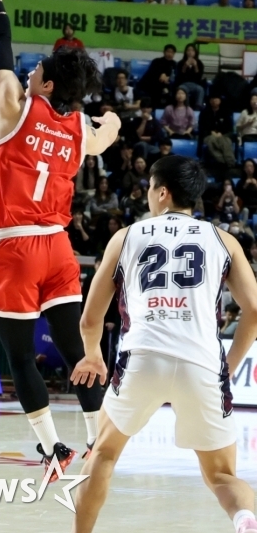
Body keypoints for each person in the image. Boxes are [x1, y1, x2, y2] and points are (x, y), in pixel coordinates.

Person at [0, 0, 121, 479]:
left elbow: (1, 43)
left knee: (19, 357)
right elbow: (108, 132)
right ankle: (98, 440)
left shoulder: (13, 106)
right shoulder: (81, 131)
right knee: (77, 350)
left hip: (16, 247)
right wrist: (113, 121)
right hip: (58, 248)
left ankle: (53, 448)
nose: (30, 71)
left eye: (38, 70)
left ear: (48, 84)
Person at [71, 155, 257, 533]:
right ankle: (245, 520)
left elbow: (90, 318)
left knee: (102, 456)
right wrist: (229, 366)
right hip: (201, 364)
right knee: (222, 476)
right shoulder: (224, 240)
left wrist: (92, 354)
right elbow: (253, 310)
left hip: (142, 357)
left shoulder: (127, 236)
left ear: (162, 192)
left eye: (150, 189)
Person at [199, 94, 236, 171]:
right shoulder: (204, 112)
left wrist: (221, 133)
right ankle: (222, 162)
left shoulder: (226, 112)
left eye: (216, 99)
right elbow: (202, 127)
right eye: (212, 99)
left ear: (220, 100)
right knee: (211, 141)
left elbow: (229, 127)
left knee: (225, 141)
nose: (214, 101)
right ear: (209, 101)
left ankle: (230, 162)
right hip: (208, 135)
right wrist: (210, 132)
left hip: (223, 135)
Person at [138, 43, 177, 109]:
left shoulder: (174, 64)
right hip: (151, 83)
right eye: (168, 51)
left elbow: (174, 75)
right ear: (164, 52)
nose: (170, 54)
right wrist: (161, 74)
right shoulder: (156, 61)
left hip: (164, 85)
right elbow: (152, 73)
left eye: (172, 52)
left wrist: (168, 78)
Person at [175, 43, 205, 109]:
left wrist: (195, 66)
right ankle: (186, 107)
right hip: (184, 84)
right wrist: (185, 66)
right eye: (188, 50)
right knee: (181, 89)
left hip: (195, 84)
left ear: (195, 52)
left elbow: (199, 77)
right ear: (186, 52)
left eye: (192, 50)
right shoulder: (181, 63)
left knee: (200, 89)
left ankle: (198, 107)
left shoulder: (199, 63)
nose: (190, 52)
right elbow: (179, 77)